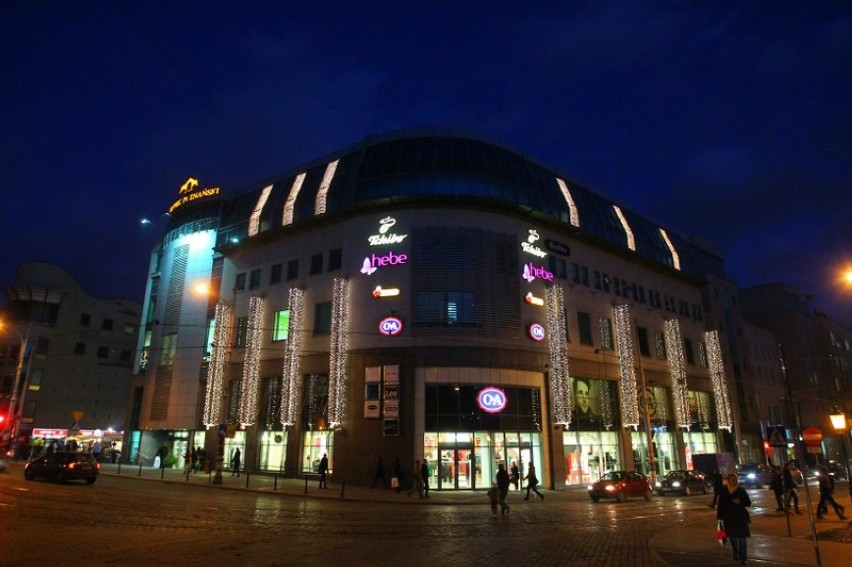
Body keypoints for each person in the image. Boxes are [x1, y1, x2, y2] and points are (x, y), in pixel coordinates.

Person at [717, 473, 752, 564]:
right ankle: (735, 552)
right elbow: (720, 505)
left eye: (735, 479)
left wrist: (740, 502)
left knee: (742, 538)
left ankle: (743, 558)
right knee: (732, 538)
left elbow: (748, 503)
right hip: (729, 518)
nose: (734, 481)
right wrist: (719, 518)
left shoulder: (741, 490)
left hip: (741, 517)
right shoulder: (724, 490)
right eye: (732, 479)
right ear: (728, 480)